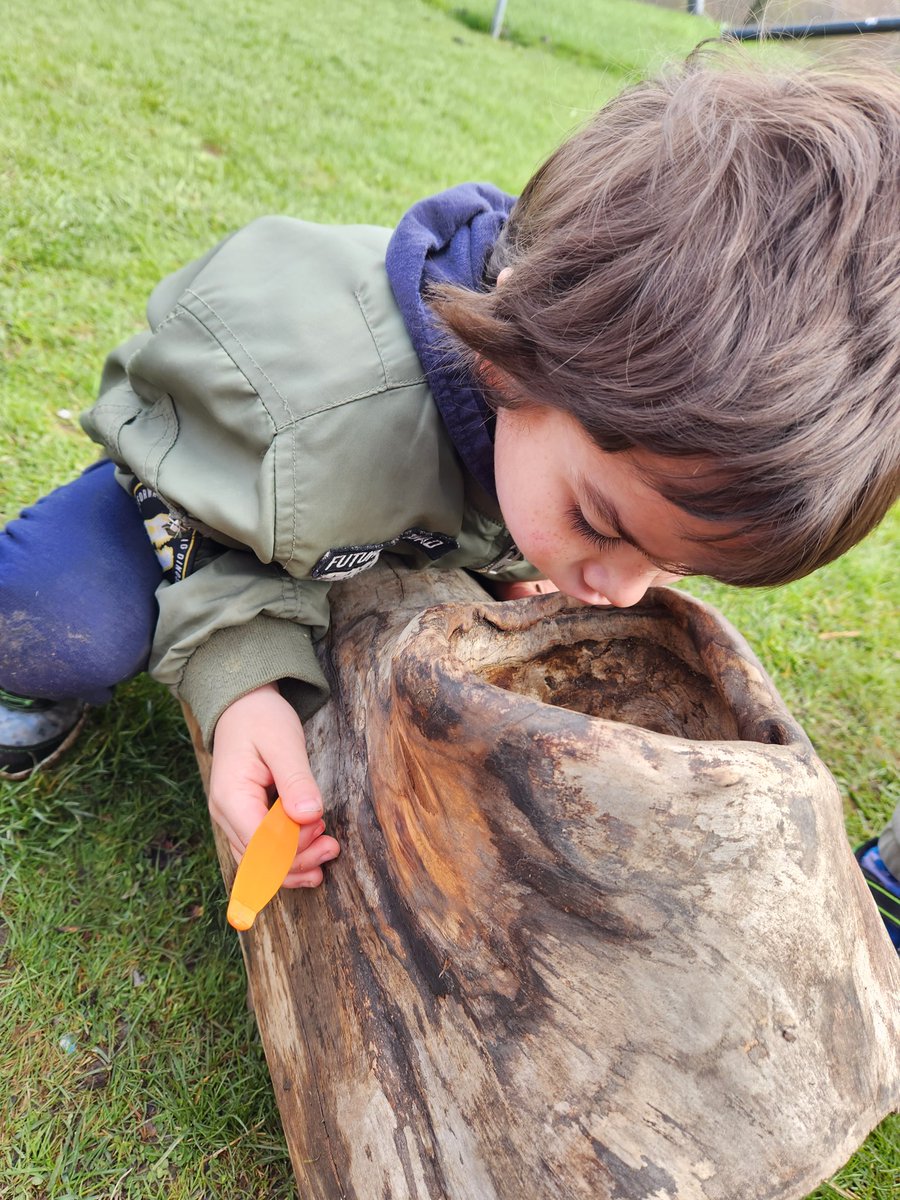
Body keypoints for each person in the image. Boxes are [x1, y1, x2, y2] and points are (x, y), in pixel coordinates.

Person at [1, 56, 898, 937]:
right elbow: (194, 521)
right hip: (209, 486)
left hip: (384, 522)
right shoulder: (308, 416)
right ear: (513, 347)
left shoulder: (584, 411)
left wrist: (529, 555)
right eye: (601, 525)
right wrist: (238, 679)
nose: (619, 590)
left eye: (664, 561)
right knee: (52, 617)